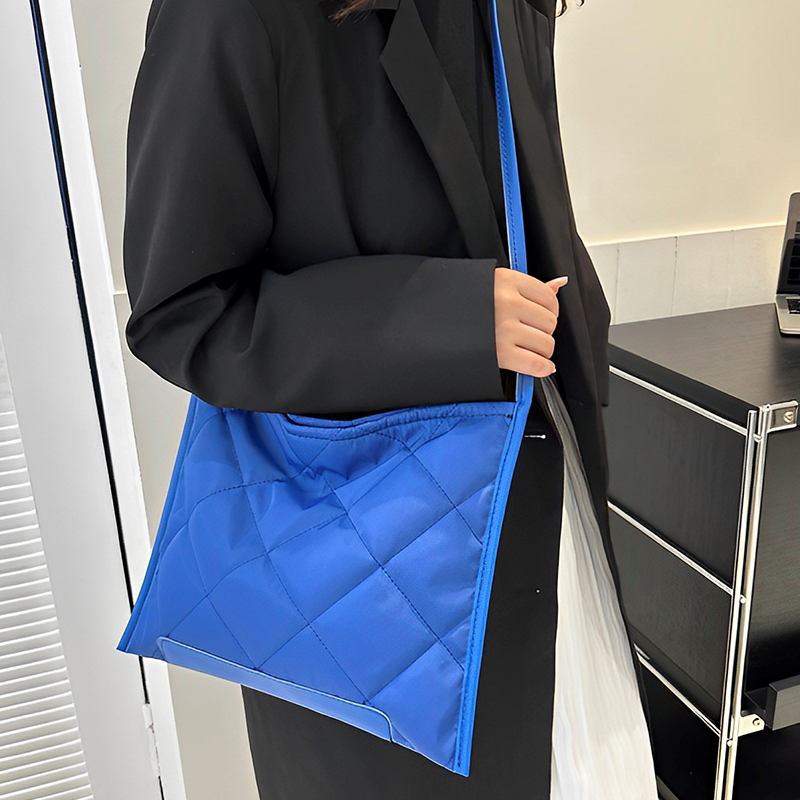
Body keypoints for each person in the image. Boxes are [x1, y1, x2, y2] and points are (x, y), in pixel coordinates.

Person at [122, 0, 659, 796]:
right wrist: (446, 320)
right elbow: (182, 310)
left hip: (545, 510)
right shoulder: (231, 12)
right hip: (365, 574)